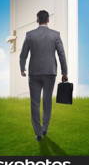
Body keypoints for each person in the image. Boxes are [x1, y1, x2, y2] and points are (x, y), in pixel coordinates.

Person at [19, 10, 68, 141]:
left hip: (34, 73)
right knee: (47, 101)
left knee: (34, 103)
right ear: (48, 20)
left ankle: (38, 133)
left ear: (37, 20)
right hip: (50, 72)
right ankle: (45, 128)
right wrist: (64, 72)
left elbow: (23, 54)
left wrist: (22, 68)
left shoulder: (30, 35)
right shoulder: (55, 35)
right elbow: (61, 55)